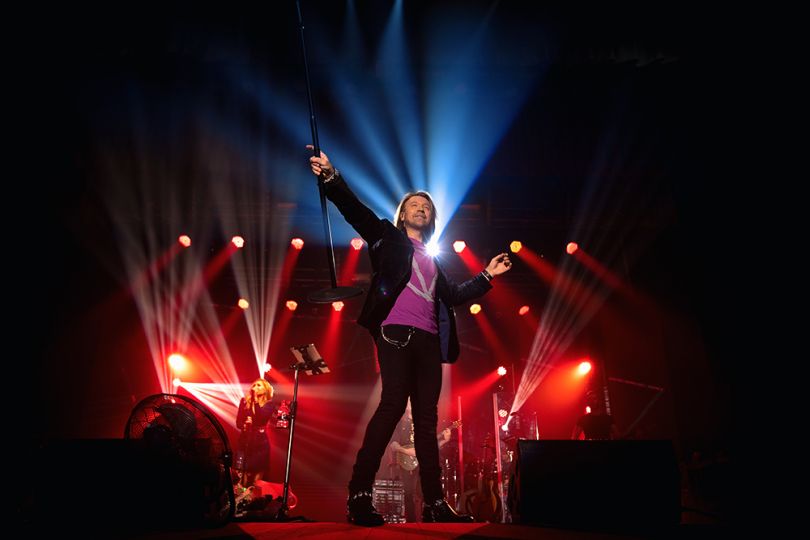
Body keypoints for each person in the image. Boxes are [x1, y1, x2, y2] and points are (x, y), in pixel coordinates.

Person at [307, 146, 512, 526]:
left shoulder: (433, 258)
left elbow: (453, 295)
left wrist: (487, 275)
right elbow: (356, 211)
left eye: (426, 207)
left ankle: (435, 503)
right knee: (391, 405)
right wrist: (332, 178)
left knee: (427, 422)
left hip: (430, 341)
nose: (421, 208)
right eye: (415, 205)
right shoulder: (387, 237)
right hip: (396, 332)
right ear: (403, 214)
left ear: (431, 218)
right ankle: (359, 494)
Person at [388, 404, 453, 522]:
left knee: (424, 491)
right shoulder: (399, 423)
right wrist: (407, 451)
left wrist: (444, 441)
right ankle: (411, 521)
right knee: (408, 493)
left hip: (422, 461)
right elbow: (393, 445)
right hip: (406, 461)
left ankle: (427, 518)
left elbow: (430, 447)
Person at [235, 378, 275, 487]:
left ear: (266, 389)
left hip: (260, 443)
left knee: (258, 472)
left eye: (259, 385)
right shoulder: (244, 401)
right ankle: (240, 494)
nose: (255, 387)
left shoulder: (270, 404)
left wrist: (255, 401)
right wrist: (244, 424)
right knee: (241, 471)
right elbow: (238, 422)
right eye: (254, 385)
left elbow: (261, 418)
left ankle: (254, 495)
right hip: (245, 440)